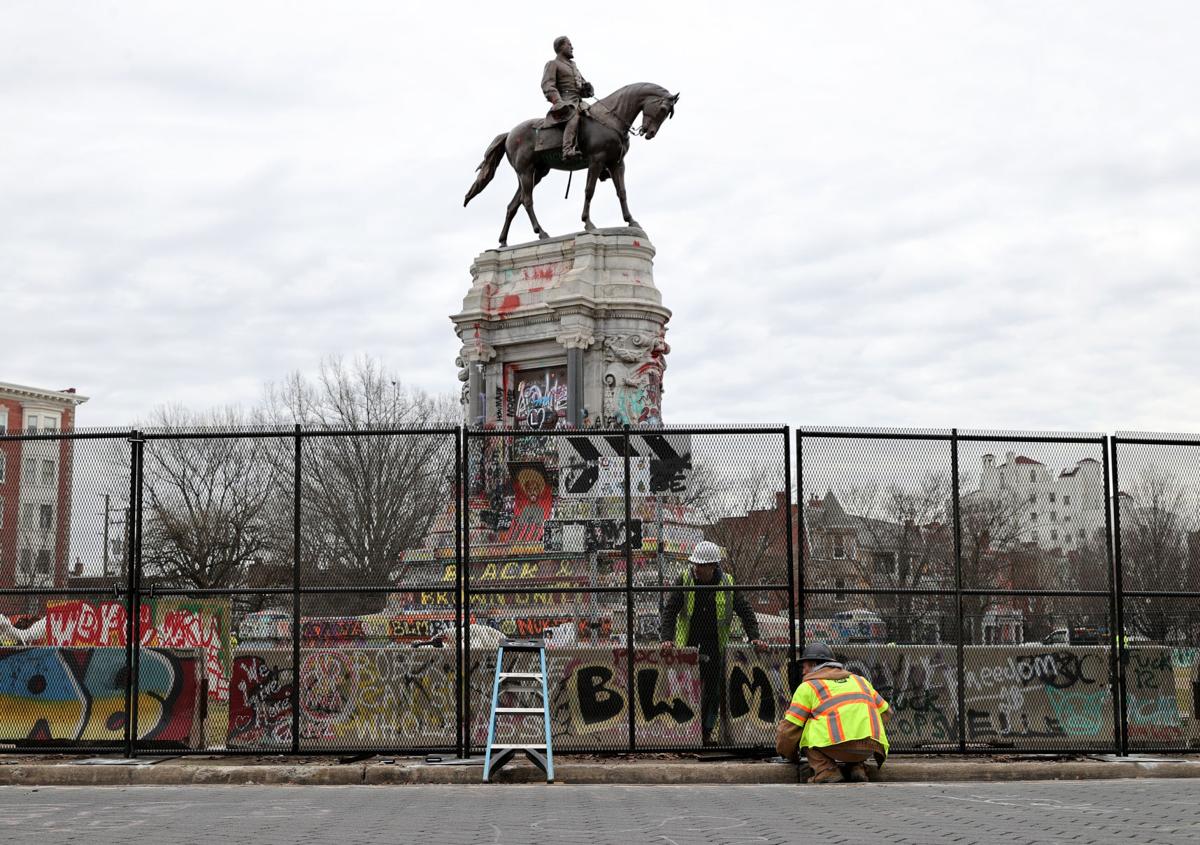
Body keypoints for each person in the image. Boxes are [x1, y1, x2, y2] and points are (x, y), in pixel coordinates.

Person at [660, 540, 767, 745]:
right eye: (695, 564)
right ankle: (686, 732)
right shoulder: (684, 580)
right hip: (688, 644)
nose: (696, 569)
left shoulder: (727, 582)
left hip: (715, 645)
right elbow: (670, 611)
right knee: (686, 689)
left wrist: (754, 636)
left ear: (713, 566)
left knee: (713, 691)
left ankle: (706, 733)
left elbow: (745, 610)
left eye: (701, 565)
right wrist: (667, 639)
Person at [776, 642, 890, 784]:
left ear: (813, 664)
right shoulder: (860, 681)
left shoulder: (809, 687)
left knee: (806, 727)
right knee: (859, 726)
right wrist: (863, 730)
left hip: (834, 747)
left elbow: (789, 729)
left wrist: (787, 753)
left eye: (804, 666)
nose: (803, 672)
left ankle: (826, 771)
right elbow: (886, 712)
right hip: (869, 746)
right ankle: (857, 768)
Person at [541, 35, 594, 159]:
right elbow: (547, 85)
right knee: (574, 117)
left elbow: (581, 89)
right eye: (569, 44)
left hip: (579, 102)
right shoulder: (553, 64)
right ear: (560, 47)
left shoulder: (574, 67)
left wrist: (587, 89)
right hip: (566, 102)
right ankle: (567, 150)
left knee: (597, 118)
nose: (572, 47)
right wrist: (558, 101)